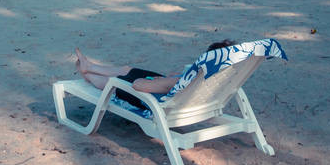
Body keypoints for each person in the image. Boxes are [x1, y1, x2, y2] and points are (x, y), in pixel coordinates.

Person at [75, 39, 236, 110]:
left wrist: (164, 81)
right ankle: (89, 66)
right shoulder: (222, 77)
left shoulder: (182, 81)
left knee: (118, 81)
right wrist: (169, 79)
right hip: (173, 91)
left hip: (155, 99)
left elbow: (138, 85)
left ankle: (89, 75)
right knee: (127, 70)